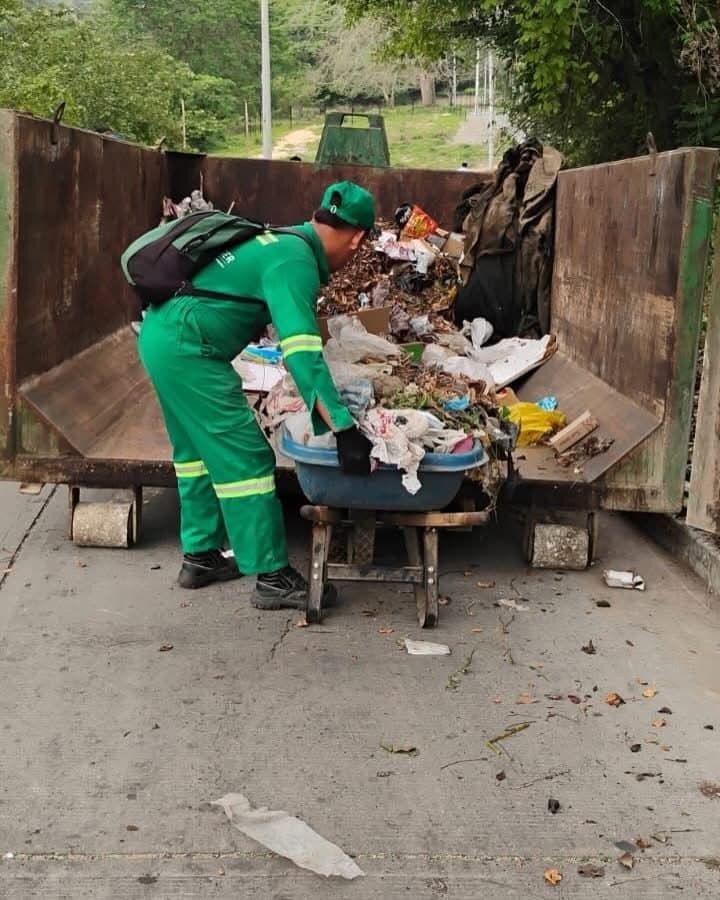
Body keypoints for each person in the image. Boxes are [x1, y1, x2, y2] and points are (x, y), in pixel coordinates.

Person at [138, 182, 374, 609]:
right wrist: (343, 427)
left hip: (161, 337)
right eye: (358, 247)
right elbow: (303, 353)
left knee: (195, 453)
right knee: (247, 457)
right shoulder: (294, 260)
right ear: (357, 238)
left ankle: (201, 556)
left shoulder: (280, 239)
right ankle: (271, 577)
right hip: (188, 348)